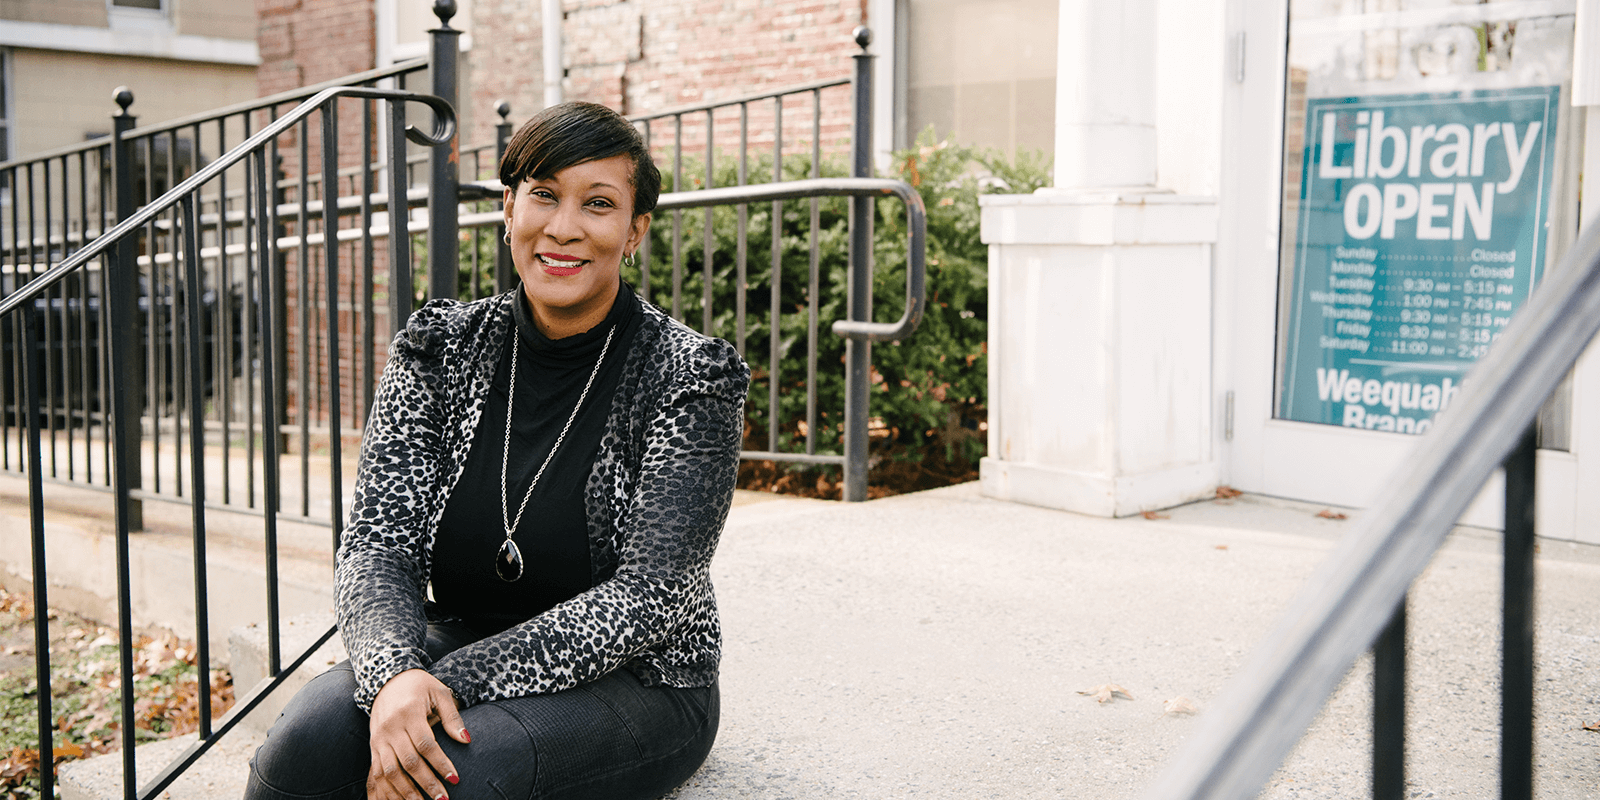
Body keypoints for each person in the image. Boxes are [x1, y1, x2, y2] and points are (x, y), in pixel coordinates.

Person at [245, 101, 750, 800]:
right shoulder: (437, 349)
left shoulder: (691, 376)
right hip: (458, 634)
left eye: (597, 204)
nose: (564, 228)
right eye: (544, 194)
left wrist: (434, 689)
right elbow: (377, 546)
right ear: (509, 207)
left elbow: (647, 602)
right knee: (300, 750)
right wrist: (394, 672)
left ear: (635, 230)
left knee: (463, 778)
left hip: (639, 679)